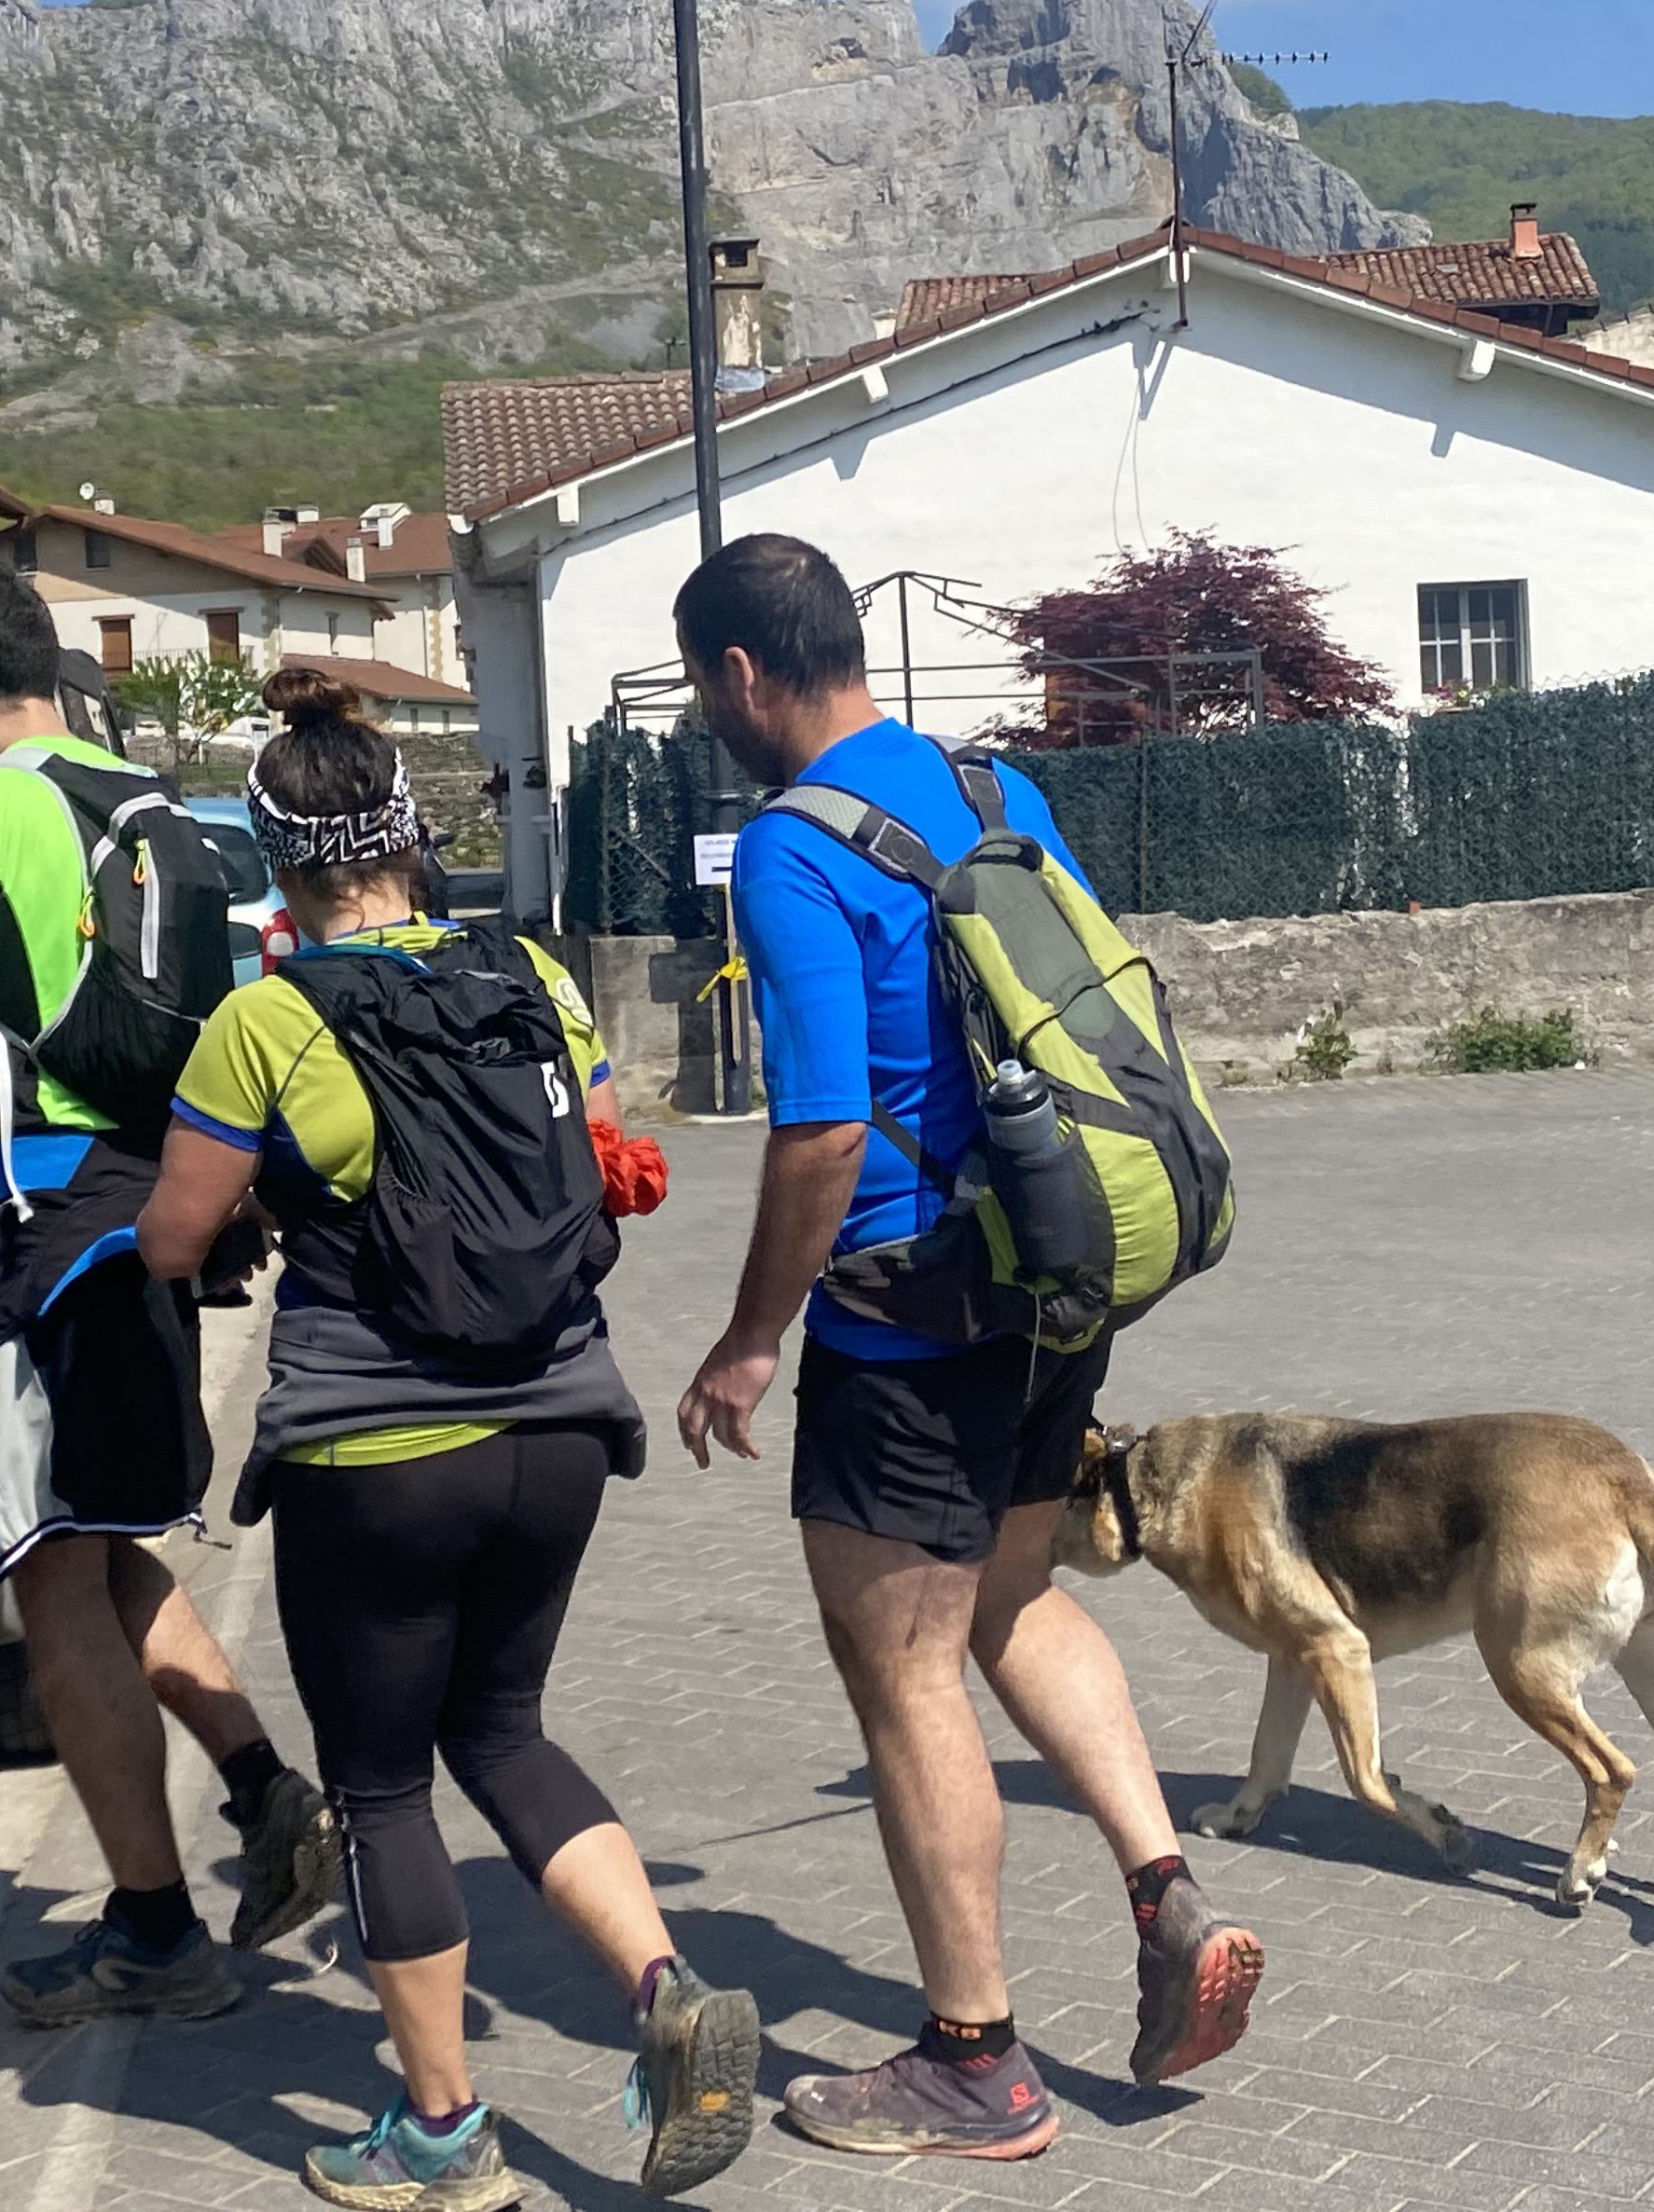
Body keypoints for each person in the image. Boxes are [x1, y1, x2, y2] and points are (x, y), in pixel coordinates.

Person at [134, 669, 760, 2208]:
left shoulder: (266, 1019)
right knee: (502, 1731)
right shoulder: (532, 977)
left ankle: (441, 2133)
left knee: (381, 1785)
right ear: (412, 837)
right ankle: (669, 1990)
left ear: (277, 861)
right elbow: (600, 1150)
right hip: (560, 1425)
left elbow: (173, 1237)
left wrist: (267, 1201)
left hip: (376, 1452)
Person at [669, 534, 1260, 2163]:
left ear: (741, 672)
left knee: (907, 1671)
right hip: (1051, 1290)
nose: (712, 717)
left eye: (706, 689)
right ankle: (1166, 1888)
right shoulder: (994, 791)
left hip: (909, 1320)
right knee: (1007, 1594)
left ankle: (974, 2060)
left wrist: (748, 1337)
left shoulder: (791, 848)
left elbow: (820, 1131)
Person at [0, 557, 338, 2020]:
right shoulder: (152, 806)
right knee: (107, 1536)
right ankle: (262, 1789)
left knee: (51, 1573)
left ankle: (156, 1935)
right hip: (145, 1212)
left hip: (26, 1230)